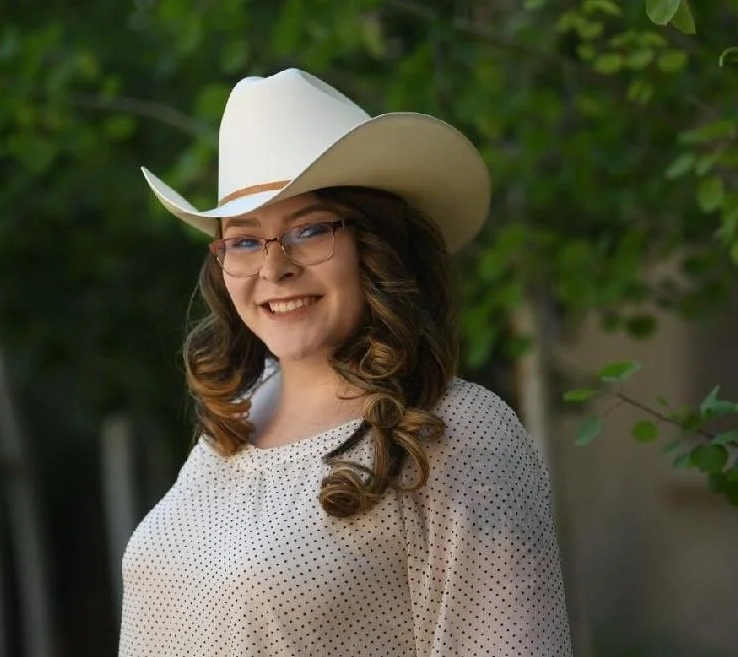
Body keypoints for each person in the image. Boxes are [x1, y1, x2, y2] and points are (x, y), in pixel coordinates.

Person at [119, 68, 573, 656]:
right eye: (245, 239)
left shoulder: (459, 433)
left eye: (308, 230)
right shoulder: (236, 416)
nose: (274, 268)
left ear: (376, 246)